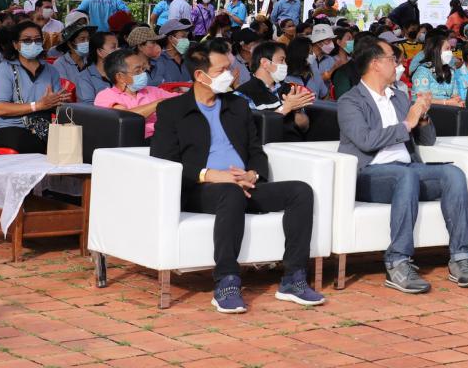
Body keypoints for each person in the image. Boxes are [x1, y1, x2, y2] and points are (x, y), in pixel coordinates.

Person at [150, 40, 323, 313]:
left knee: (300, 191)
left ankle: (294, 278)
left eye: (229, 69)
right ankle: (226, 281)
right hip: (200, 188)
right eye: (221, 71)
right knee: (230, 193)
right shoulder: (173, 110)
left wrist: (253, 173)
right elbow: (164, 160)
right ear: (200, 75)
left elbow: (256, 151)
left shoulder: (237, 105)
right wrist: (211, 175)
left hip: (244, 183)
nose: (230, 76)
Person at [336, 38, 468, 292]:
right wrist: (407, 124)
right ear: (375, 64)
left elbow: (427, 140)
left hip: (408, 170)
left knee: (453, 174)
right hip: (370, 175)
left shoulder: (399, 97)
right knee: (406, 176)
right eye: (392, 59)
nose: (398, 65)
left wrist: (422, 117)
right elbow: (365, 140)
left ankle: (461, 258)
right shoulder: (351, 101)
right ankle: (398, 262)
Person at [0, 22, 72, 152]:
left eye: (37, 40)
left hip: (41, 127)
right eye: (27, 40)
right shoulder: (4, 69)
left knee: (73, 139)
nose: (33, 43)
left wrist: (60, 102)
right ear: (15, 44)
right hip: (6, 127)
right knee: (32, 142)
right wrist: (38, 105)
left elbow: (57, 105)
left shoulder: (50, 70)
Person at [237, 41, 314, 141]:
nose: (285, 65)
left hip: (295, 144)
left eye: (285, 61)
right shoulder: (243, 94)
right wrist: (285, 108)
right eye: (281, 60)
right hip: (268, 147)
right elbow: (254, 132)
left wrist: (297, 110)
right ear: (265, 63)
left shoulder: (289, 88)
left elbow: (304, 127)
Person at [95, 48, 176, 140]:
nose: (143, 74)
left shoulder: (152, 90)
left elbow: (181, 99)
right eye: (137, 71)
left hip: (165, 138)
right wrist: (159, 103)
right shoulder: (105, 96)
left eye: (143, 69)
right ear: (120, 77)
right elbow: (127, 117)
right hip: (134, 142)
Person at [411, 34, 464, 107]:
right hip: (428, 111)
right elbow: (421, 99)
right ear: (436, 51)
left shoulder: (450, 71)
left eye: (450, 49)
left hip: (449, 110)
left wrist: (458, 101)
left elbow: (455, 95)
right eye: (447, 49)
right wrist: (446, 102)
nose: (450, 52)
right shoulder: (423, 71)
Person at [76, 30, 120, 104]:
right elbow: (88, 107)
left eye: (118, 46)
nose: (118, 50)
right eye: (113, 47)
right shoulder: (85, 77)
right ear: (100, 51)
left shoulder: (121, 72)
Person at [150, 19, 193, 86]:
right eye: (183, 36)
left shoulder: (189, 58)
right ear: (170, 38)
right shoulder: (158, 61)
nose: (186, 40)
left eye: (186, 37)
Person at [53, 21, 94, 88]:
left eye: (88, 39)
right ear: (70, 44)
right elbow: (64, 89)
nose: (87, 42)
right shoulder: (60, 64)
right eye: (82, 39)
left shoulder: (91, 60)